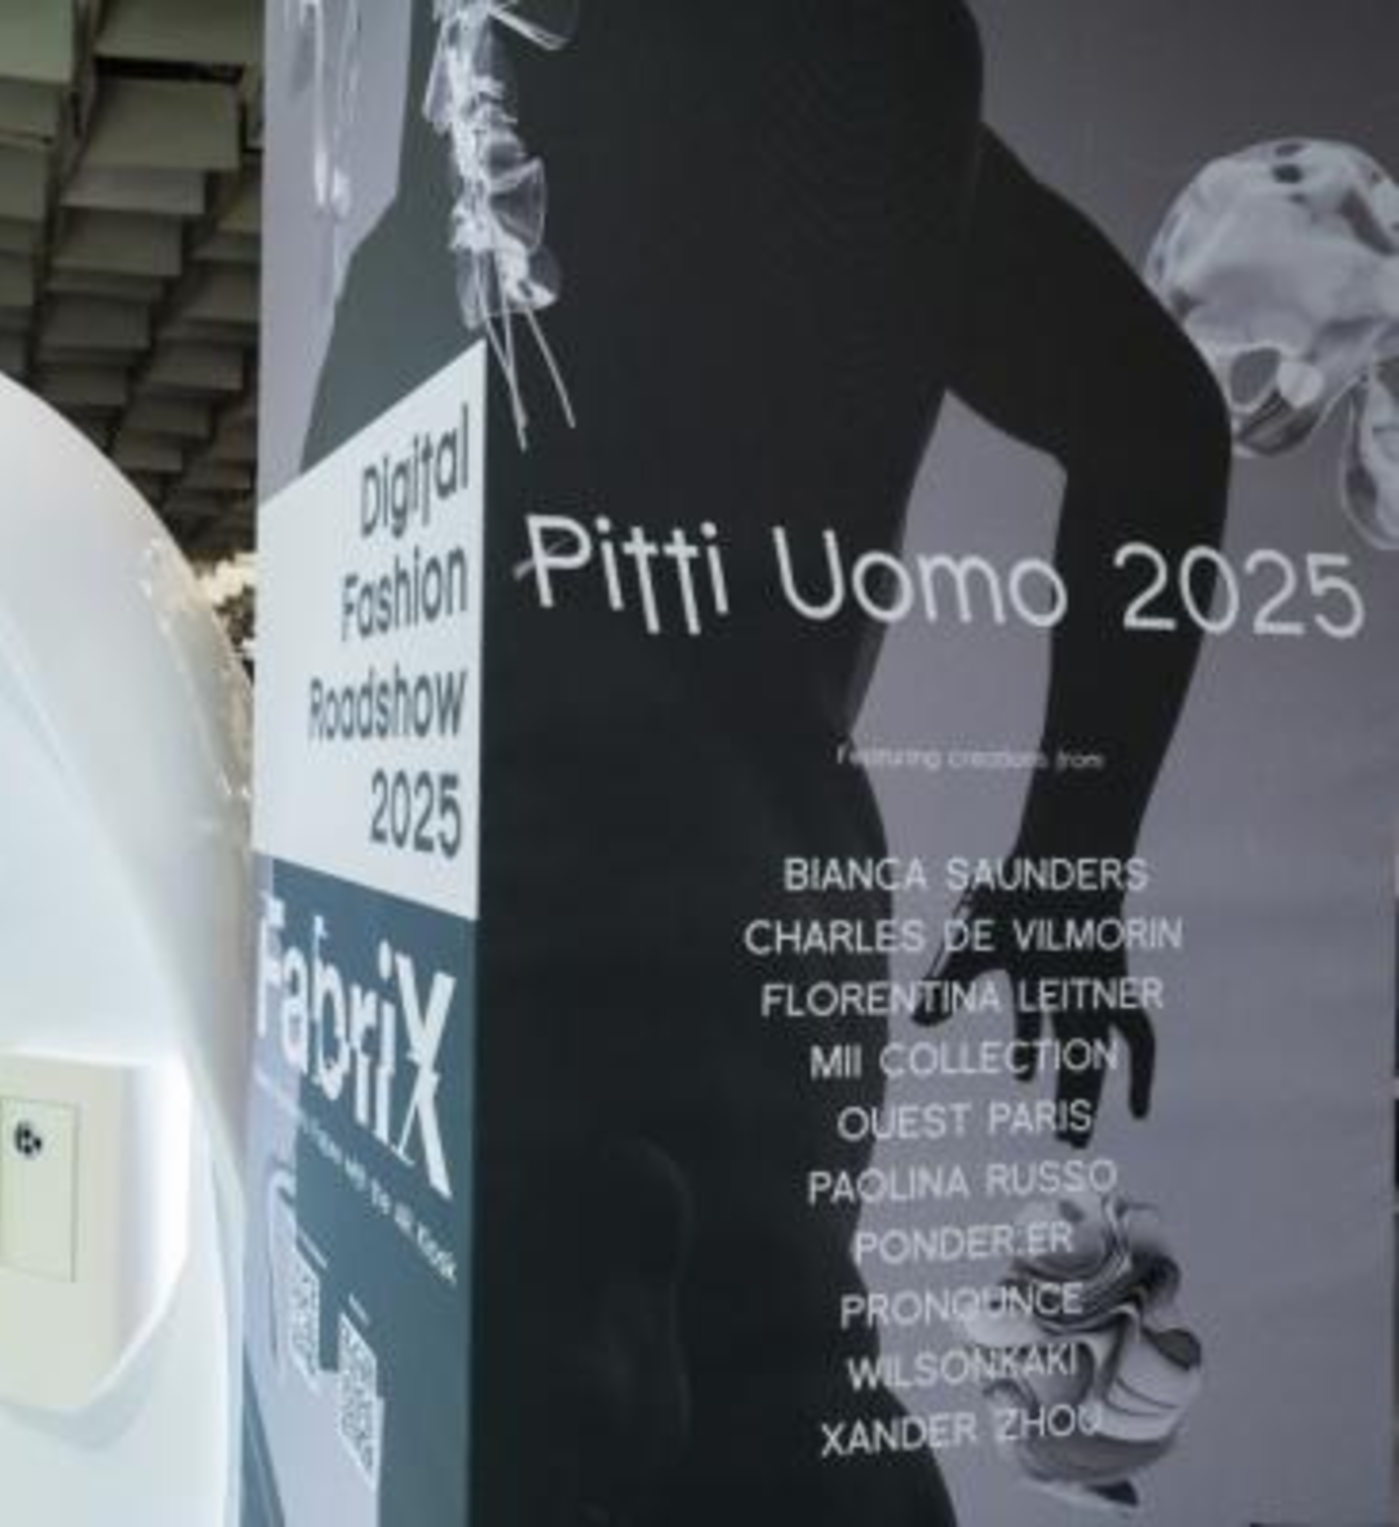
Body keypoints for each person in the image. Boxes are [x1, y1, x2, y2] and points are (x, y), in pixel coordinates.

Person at [294, 3, 1230, 1522]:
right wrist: (1071, 865)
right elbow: (1158, 423)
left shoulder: (736, 71)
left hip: (581, 907)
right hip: (731, 890)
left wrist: (1073, 864)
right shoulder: (881, 77)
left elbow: (1162, 425)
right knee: (752, 1388)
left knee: (686, 1400)